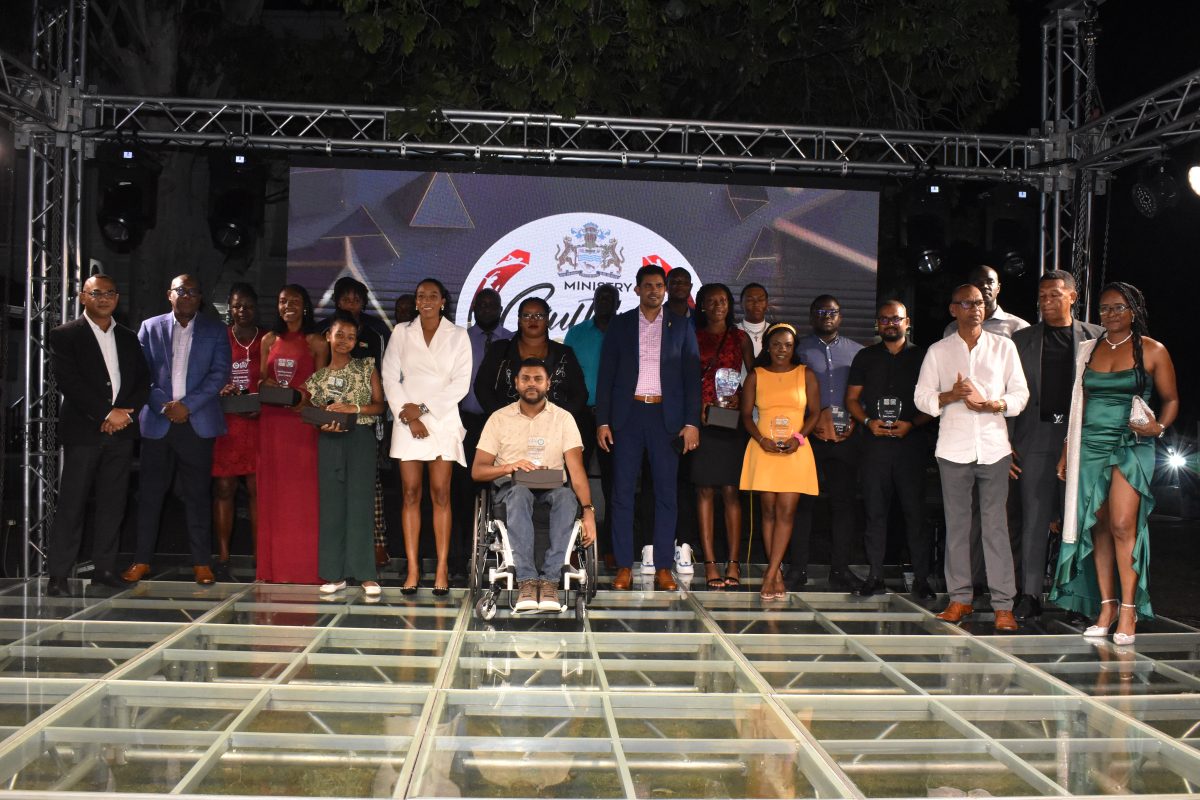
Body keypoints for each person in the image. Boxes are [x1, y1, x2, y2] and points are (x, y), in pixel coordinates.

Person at [1051, 282, 1178, 645]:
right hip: (1088, 444)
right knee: (1098, 524)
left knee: (1124, 524)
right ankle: (1106, 607)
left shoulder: (1153, 350)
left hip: (1131, 443)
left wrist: (1159, 427)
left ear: (1134, 311)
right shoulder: (1089, 349)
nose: (1111, 314)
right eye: (1105, 309)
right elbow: (1081, 404)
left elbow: (1170, 400)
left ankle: (1128, 609)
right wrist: (1066, 449)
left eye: (1119, 308)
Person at [914, 284, 1029, 632]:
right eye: (967, 303)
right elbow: (921, 397)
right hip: (953, 448)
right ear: (953, 309)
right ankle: (960, 599)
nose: (975, 309)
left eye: (979, 303)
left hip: (994, 447)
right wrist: (950, 395)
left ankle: (1003, 606)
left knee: (995, 526)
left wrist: (997, 404)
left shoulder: (1003, 347)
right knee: (959, 526)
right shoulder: (939, 350)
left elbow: (1021, 393)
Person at [596, 264, 701, 592]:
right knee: (622, 494)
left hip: (665, 420)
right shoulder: (621, 324)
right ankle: (624, 566)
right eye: (648, 285)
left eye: (659, 285)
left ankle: (663, 569)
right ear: (637, 289)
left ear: (665, 290)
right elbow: (606, 376)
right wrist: (602, 420)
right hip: (627, 418)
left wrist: (691, 423)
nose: (654, 290)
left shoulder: (682, 326)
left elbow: (690, 379)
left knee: (666, 494)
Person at [123, 274, 230, 586]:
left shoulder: (215, 329)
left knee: (197, 495)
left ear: (200, 298)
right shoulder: (149, 327)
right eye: (181, 291)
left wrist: (188, 406)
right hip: (158, 422)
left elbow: (219, 372)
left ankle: (201, 563)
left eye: (193, 292)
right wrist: (164, 405)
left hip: (196, 424)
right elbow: (139, 371)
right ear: (168, 294)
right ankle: (141, 560)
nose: (187, 296)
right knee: (151, 495)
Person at [1008, 271, 1104, 619]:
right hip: (1035, 436)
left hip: (1082, 438)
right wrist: (1007, 438)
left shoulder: (1097, 337)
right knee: (1033, 518)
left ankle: (1078, 598)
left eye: (1054, 295)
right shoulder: (1022, 340)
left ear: (1073, 297)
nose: (1046, 302)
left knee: (1079, 518)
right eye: (1042, 296)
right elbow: (1009, 392)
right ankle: (1030, 594)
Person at [46, 275, 149, 596]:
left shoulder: (130, 338)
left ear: (117, 298)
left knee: (113, 503)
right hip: (83, 432)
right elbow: (68, 381)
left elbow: (142, 381)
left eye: (110, 294)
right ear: (82, 297)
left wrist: (123, 413)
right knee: (72, 504)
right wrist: (106, 413)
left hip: (121, 433)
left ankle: (104, 569)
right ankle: (59, 576)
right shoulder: (65, 336)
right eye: (96, 293)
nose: (104, 299)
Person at [472, 358, 598, 612]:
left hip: (551, 486)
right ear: (516, 383)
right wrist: (509, 467)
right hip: (511, 488)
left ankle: (550, 582)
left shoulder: (563, 419)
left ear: (548, 384)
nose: (532, 384)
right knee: (519, 493)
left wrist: (588, 511)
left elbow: (576, 470)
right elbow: (477, 470)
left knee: (566, 498)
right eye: (526, 378)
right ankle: (527, 581)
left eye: (538, 379)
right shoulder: (499, 419)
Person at [381, 278, 472, 595]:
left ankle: (443, 568)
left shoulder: (458, 335)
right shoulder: (401, 333)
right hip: (407, 422)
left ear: (443, 301)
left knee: (441, 495)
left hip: (442, 419)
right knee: (409, 493)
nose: (427, 300)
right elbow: (389, 376)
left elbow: (460, 384)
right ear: (415, 301)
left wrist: (422, 410)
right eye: (421, 295)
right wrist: (408, 415)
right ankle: (413, 569)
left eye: (433, 295)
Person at [845, 301, 935, 600]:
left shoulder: (925, 356)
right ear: (877, 324)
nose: (889, 324)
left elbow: (936, 402)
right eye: (883, 320)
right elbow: (852, 399)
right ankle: (875, 577)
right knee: (874, 513)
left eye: (895, 319)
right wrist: (868, 422)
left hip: (911, 444)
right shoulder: (865, 356)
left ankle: (921, 579)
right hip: (874, 446)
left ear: (906, 322)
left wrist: (912, 424)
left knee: (915, 513)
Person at [306, 310, 388, 596]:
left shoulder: (367, 367)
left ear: (357, 341)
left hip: (361, 439)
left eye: (350, 337)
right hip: (329, 443)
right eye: (339, 334)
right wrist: (323, 424)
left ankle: (365, 574)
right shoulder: (316, 379)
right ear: (328, 335)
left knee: (360, 505)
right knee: (331, 507)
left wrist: (353, 409)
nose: (344, 341)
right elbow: (311, 412)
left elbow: (379, 406)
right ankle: (334, 573)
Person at [740, 323, 820, 600]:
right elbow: (747, 416)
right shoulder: (756, 375)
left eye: (787, 345)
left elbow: (814, 413)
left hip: (795, 451)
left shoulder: (805, 374)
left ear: (794, 347)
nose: (781, 350)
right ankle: (775, 572)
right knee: (769, 510)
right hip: (764, 449)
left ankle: (771, 573)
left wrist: (799, 438)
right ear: (767, 347)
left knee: (786, 510)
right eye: (776, 344)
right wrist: (762, 440)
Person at [256, 284, 329, 584]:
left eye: (295, 301)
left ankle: (305, 568)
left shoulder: (316, 341)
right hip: (273, 424)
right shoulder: (268, 339)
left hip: (302, 424)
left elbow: (322, 384)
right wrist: (269, 387)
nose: (288, 306)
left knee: (303, 498)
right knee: (275, 496)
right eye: (283, 301)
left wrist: (304, 396)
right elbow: (262, 379)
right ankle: (275, 569)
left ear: (305, 306)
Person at [317, 277, 392, 567]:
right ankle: (337, 556)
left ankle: (377, 545)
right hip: (331, 422)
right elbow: (317, 381)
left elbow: (383, 382)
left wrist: (377, 418)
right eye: (346, 299)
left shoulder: (376, 333)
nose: (351, 304)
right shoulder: (322, 332)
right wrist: (325, 413)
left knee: (369, 485)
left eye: (356, 299)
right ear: (337, 301)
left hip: (366, 423)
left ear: (364, 302)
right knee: (335, 489)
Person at [794, 295, 863, 591]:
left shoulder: (858, 352)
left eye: (832, 312)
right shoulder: (797, 350)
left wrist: (854, 423)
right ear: (811, 317)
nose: (826, 316)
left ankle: (840, 569)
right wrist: (811, 422)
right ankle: (797, 570)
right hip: (808, 436)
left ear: (841, 316)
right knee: (801, 505)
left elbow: (864, 395)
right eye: (820, 312)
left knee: (844, 505)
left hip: (846, 437)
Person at [692, 283, 754, 589]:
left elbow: (755, 379)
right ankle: (710, 562)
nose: (718, 305)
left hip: (731, 421)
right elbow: (683, 377)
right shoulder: (692, 336)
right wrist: (697, 404)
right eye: (711, 301)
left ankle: (733, 562)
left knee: (731, 490)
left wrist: (742, 402)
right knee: (705, 491)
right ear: (702, 305)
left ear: (730, 305)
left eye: (723, 301)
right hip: (703, 420)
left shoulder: (740, 337)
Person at [453, 288, 513, 579]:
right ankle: (464, 556)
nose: (487, 308)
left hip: (504, 426)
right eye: (482, 304)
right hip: (468, 422)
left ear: (501, 308)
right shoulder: (460, 339)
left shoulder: (513, 340)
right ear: (474, 308)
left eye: (493, 304)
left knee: (503, 489)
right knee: (465, 490)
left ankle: (504, 557)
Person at [564, 284, 621, 564]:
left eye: (611, 297)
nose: (605, 301)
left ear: (619, 302)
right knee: (575, 482)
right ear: (594, 301)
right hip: (581, 416)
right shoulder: (576, 334)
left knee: (615, 484)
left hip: (617, 418)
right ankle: (573, 548)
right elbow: (565, 376)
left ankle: (611, 547)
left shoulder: (626, 331)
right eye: (601, 297)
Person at [212, 283, 265, 582]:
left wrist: (263, 396)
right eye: (236, 306)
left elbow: (273, 376)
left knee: (257, 491)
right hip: (227, 423)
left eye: (247, 306)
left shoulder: (267, 339)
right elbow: (209, 372)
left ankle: (260, 557)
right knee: (224, 489)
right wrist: (222, 388)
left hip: (258, 422)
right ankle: (222, 557)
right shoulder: (220, 338)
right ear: (229, 309)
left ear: (256, 308)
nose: (242, 311)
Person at [476, 296, 587, 425]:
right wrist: (503, 418)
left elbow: (580, 394)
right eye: (527, 315)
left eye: (539, 315)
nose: (533, 319)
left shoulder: (564, 353)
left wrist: (559, 420)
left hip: (553, 428)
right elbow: (482, 388)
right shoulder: (500, 349)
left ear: (547, 320)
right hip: (508, 427)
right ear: (519, 320)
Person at [942, 264, 1030, 339]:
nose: (984, 286)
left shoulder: (1018, 327)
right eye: (978, 282)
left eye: (990, 281)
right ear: (970, 288)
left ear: (998, 288)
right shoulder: (953, 328)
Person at [738, 283, 771, 357]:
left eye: (761, 299)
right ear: (741, 304)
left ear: (767, 303)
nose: (756, 304)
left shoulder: (775, 332)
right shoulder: (733, 332)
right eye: (750, 300)